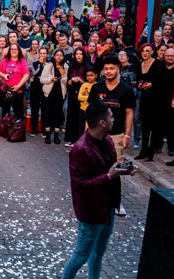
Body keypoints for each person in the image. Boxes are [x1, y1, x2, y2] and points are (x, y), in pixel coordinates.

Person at [62, 102, 136, 279]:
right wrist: (109, 176)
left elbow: (109, 166)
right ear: (102, 122)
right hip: (91, 212)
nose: (114, 119)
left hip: (108, 207)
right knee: (81, 256)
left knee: (98, 253)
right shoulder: (80, 149)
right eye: (111, 116)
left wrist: (123, 169)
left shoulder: (108, 140)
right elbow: (80, 186)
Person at [40, 49, 69, 144]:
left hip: (60, 94)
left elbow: (67, 82)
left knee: (58, 115)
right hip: (49, 93)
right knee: (48, 114)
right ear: (54, 56)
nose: (59, 57)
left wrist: (63, 74)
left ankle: (56, 135)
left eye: (61, 55)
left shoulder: (65, 66)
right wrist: (51, 79)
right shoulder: (49, 66)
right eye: (57, 55)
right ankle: (47, 135)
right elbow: (42, 79)